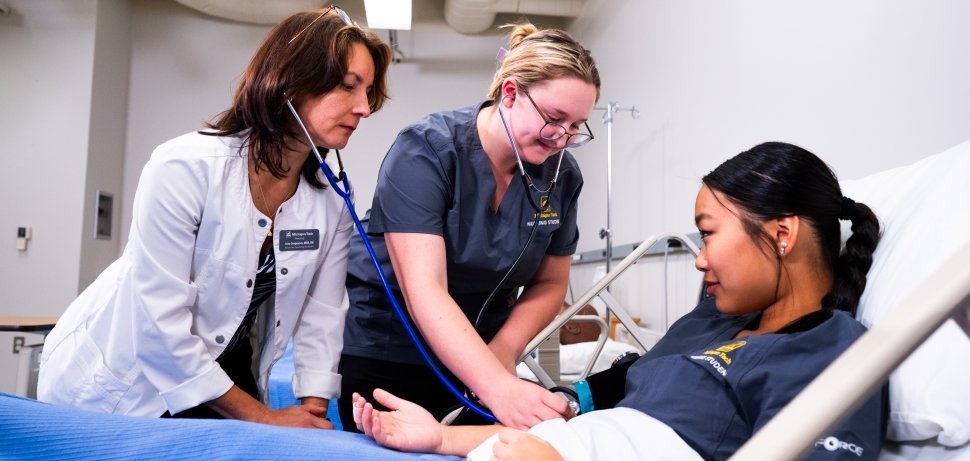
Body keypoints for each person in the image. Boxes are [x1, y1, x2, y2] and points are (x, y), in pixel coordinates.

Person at [351, 142, 888, 460]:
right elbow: (596, 427)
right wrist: (441, 437)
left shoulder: (832, 352)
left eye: (708, 234)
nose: (699, 260)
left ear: (783, 234)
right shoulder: (705, 324)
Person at [37, 7, 391, 429]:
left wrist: (311, 415)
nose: (364, 108)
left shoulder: (330, 205)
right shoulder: (184, 168)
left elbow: (324, 314)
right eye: (349, 87)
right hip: (125, 379)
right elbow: (158, 324)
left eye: (368, 92)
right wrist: (264, 417)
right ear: (289, 84)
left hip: (224, 371)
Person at [339, 23, 601, 431]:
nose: (561, 138)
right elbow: (423, 289)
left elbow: (550, 284)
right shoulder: (426, 151)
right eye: (554, 118)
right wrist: (497, 385)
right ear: (510, 93)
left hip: (486, 353)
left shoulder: (562, 176)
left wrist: (502, 353)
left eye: (576, 126)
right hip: (393, 351)